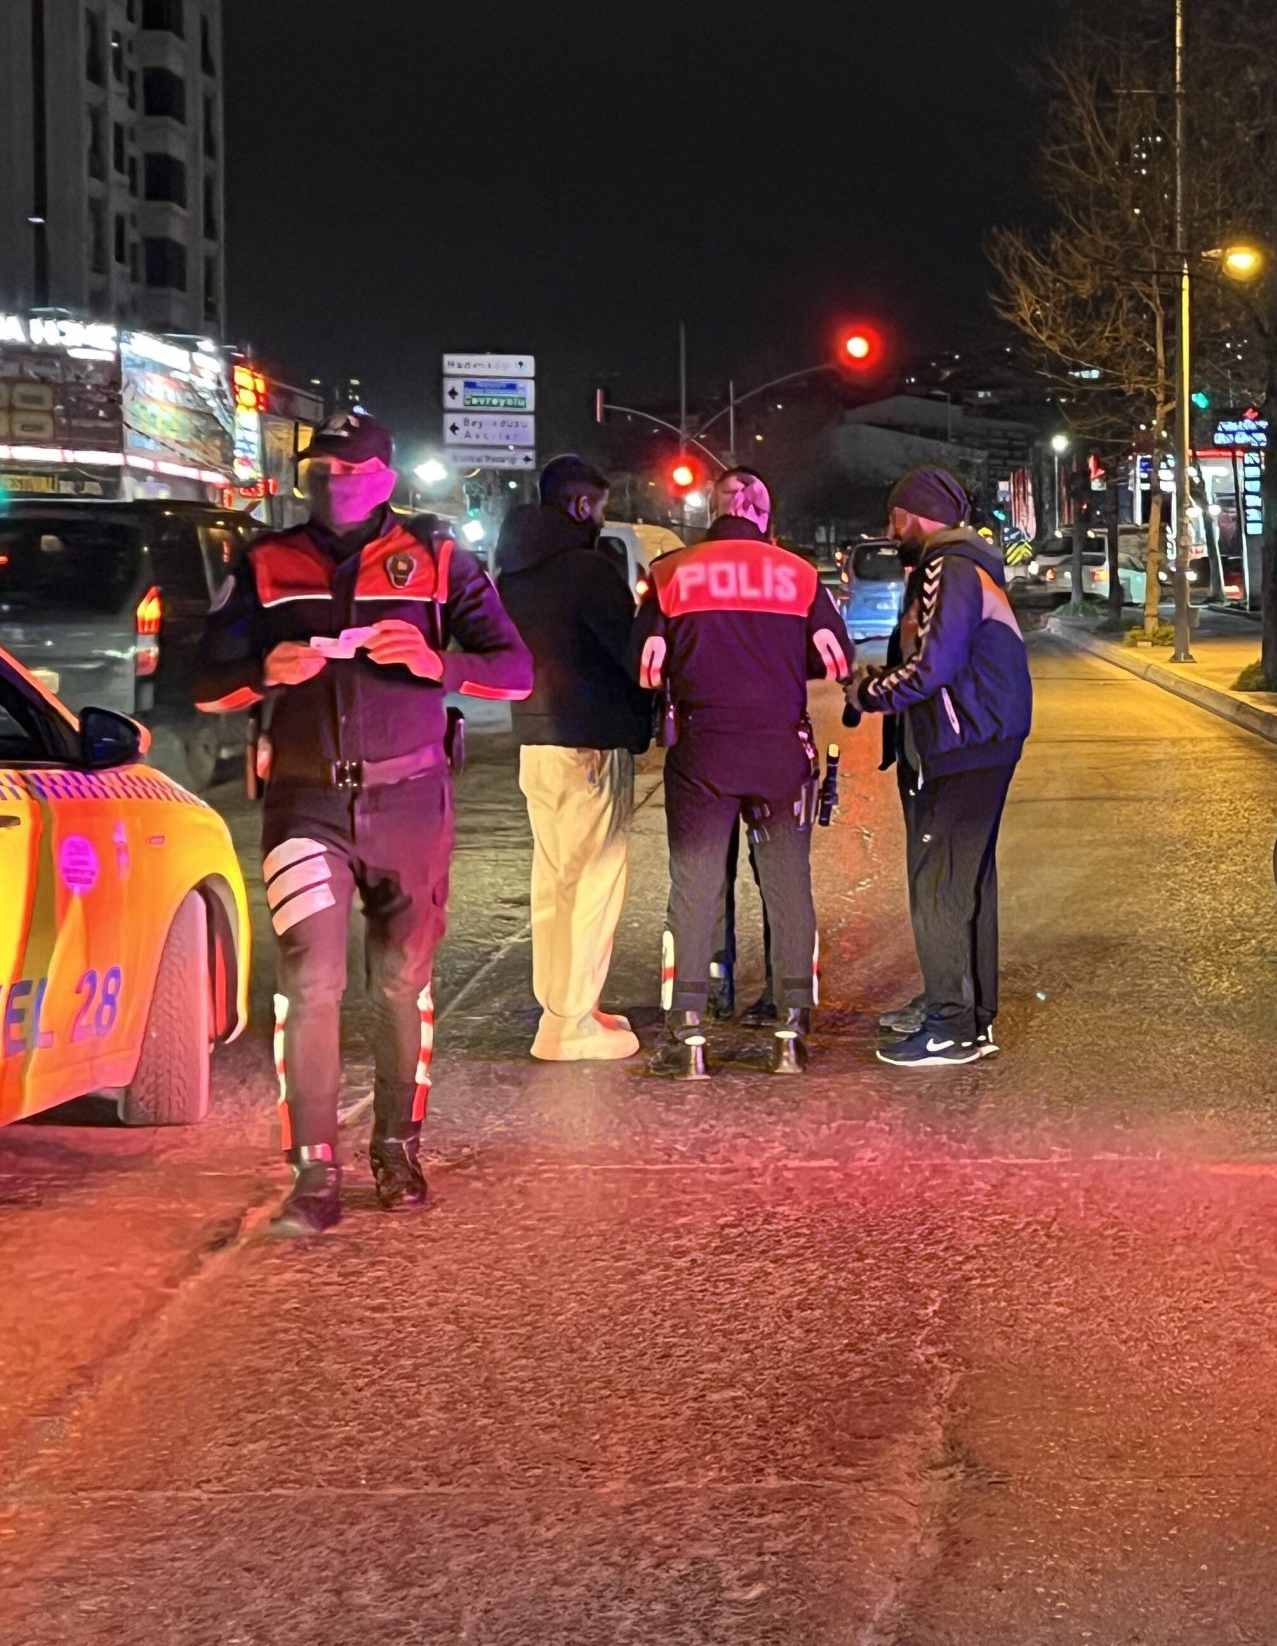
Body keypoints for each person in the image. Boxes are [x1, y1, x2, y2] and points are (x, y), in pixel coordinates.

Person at [194, 412, 533, 1236]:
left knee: (400, 983)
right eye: (321, 471)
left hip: (411, 801)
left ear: (385, 477)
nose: (335, 483)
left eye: (351, 471)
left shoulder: (437, 557)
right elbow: (204, 685)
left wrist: (437, 663)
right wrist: (260, 671)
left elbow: (515, 671)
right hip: (305, 804)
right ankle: (313, 1171)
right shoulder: (266, 560)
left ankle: (397, 1144)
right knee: (309, 982)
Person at [636, 467, 851, 1077]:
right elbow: (834, 659)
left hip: (704, 751)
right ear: (764, 515)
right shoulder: (799, 574)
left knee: (695, 885)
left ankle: (689, 1031)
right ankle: (791, 1029)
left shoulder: (672, 573)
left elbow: (644, 665)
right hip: (781, 750)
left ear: (714, 511)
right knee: (788, 886)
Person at [852, 467, 1032, 1068]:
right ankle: (963, 1010)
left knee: (940, 886)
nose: (890, 531)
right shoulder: (965, 566)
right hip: (979, 743)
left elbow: (934, 666)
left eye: (894, 517)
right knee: (964, 883)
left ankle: (951, 1027)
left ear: (913, 513)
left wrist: (868, 692)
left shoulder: (947, 566)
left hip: (961, 747)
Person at [496, 455, 653, 1063]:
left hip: (536, 740)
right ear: (582, 504)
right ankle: (570, 1024)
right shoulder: (589, 571)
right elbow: (631, 653)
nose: (602, 519)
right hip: (589, 738)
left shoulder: (514, 571)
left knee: (556, 879)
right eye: (600, 506)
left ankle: (562, 1008)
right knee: (594, 880)